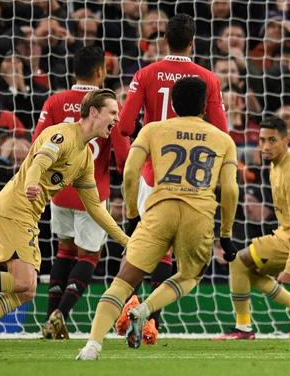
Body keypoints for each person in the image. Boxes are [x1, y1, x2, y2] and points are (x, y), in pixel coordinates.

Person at [0, 87, 128, 350]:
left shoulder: (84, 157)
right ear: (94, 112)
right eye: (113, 112)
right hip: (16, 208)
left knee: (25, 290)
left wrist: (125, 240)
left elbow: (95, 208)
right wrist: (33, 183)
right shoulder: (63, 134)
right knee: (25, 283)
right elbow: (39, 161)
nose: (117, 118)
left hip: (26, 214)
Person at [77, 77, 238, 360]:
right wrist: (225, 234)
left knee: (124, 280)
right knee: (190, 274)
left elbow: (129, 173)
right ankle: (146, 309)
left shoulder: (153, 129)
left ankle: (92, 345)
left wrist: (131, 216)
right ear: (204, 106)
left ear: (174, 106)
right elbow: (231, 191)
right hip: (198, 215)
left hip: (159, 209)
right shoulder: (223, 140)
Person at [116, 13, 228, 329]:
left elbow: (124, 126)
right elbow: (221, 130)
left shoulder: (145, 73)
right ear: (193, 42)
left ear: (164, 39)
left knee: (140, 249)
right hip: (189, 177)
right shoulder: (208, 78)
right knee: (173, 258)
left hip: (150, 174)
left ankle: (128, 313)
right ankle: (151, 323)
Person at [33, 46, 130, 340]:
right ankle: (61, 314)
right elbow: (123, 157)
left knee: (64, 250)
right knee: (88, 255)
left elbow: (38, 144)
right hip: (92, 192)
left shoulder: (54, 101)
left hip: (59, 192)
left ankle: (50, 319)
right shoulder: (108, 106)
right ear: (100, 72)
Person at [215, 114, 290, 339]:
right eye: (262, 140)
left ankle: (243, 328)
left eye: (272, 140)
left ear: (286, 141)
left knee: (237, 262)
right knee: (247, 269)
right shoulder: (277, 164)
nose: (265, 146)